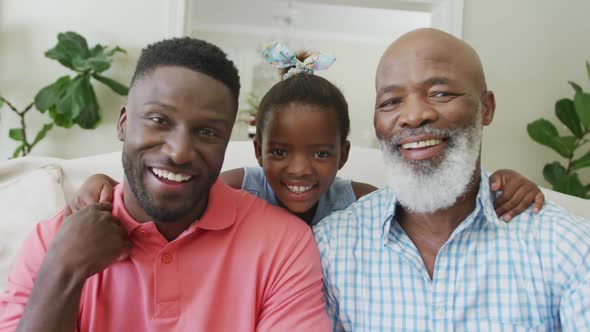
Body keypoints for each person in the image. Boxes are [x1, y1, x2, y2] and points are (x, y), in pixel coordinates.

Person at [0, 37, 331, 331]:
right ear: (124, 123)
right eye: (159, 120)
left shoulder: (284, 245)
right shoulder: (53, 243)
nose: (180, 152)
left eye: (207, 132)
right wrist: (63, 272)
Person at [67, 42, 544, 227]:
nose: (298, 169)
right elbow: (171, 187)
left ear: (343, 155)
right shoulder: (239, 186)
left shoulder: (358, 200)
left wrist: (503, 182)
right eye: (278, 151)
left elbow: (432, 199)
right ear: (257, 150)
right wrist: (106, 187)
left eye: (319, 152)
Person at [313, 28, 590, 331]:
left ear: (487, 107)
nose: (414, 115)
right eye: (391, 101)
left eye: (440, 93)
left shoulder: (566, 247)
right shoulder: (332, 247)